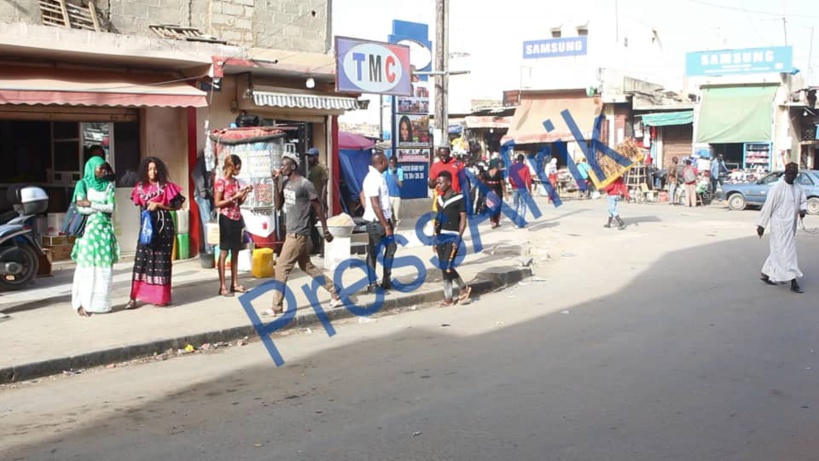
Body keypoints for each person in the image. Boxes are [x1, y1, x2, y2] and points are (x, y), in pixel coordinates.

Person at [265, 152, 341, 315]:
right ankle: (334, 291)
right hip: (291, 232)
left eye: (284, 165)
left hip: (299, 233)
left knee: (281, 267)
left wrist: (325, 229)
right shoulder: (285, 182)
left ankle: (276, 307)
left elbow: (318, 207)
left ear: (293, 167)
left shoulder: (305, 184)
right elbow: (278, 206)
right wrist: (275, 183)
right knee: (307, 266)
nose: (281, 168)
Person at [127, 157, 186, 309]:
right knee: (141, 260)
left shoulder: (166, 186)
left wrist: (160, 205)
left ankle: (160, 298)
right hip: (147, 227)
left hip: (163, 227)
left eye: (155, 168)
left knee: (162, 261)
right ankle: (134, 297)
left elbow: (177, 206)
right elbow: (138, 203)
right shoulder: (139, 187)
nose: (152, 172)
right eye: (149, 169)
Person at [71, 157, 120, 317]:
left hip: (104, 233)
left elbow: (110, 208)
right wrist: (97, 208)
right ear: (91, 168)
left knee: (103, 270)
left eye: (105, 168)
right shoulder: (82, 184)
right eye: (100, 168)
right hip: (89, 233)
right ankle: (82, 304)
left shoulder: (108, 186)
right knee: (86, 270)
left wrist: (91, 204)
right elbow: (80, 208)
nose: (103, 171)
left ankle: (101, 305)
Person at [756, 162, 807, 293]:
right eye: (790, 173)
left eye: (794, 174)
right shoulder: (777, 188)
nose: (792, 176)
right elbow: (768, 206)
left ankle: (766, 273)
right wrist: (761, 224)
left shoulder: (798, 187)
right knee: (788, 252)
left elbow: (803, 200)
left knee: (778, 250)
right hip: (779, 226)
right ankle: (793, 281)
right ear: (785, 172)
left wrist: (802, 210)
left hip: (791, 226)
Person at [214, 154, 252, 297]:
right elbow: (217, 203)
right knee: (224, 252)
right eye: (238, 167)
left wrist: (244, 194)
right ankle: (222, 285)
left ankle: (234, 283)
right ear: (232, 166)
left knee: (235, 250)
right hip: (226, 219)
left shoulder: (236, 182)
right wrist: (233, 198)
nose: (239, 170)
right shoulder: (221, 182)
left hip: (237, 218)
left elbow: (238, 203)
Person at [433, 170, 471, 306]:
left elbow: (463, 218)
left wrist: (458, 237)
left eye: (441, 182)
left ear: (449, 183)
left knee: (448, 265)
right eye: (437, 182)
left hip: (453, 235)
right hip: (441, 236)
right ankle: (448, 298)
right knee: (443, 267)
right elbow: (438, 220)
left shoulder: (459, 198)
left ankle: (463, 287)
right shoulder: (439, 199)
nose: (438, 185)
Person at [363, 151, 397, 292]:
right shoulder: (373, 178)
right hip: (377, 222)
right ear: (381, 162)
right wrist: (386, 226)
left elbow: (362, 194)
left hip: (383, 218)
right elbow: (375, 204)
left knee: (391, 248)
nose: (389, 164)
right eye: (386, 161)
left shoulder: (379, 177)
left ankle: (386, 280)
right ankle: (372, 284)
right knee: (373, 252)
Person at [306, 147, 329, 255]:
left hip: (318, 200)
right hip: (310, 200)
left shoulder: (321, 168)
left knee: (319, 224)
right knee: (311, 224)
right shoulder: (311, 169)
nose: (309, 159)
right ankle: (315, 246)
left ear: (316, 157)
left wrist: (323, 199)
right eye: (309, 157)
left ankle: (322, 248)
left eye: (311, 157)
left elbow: (325, 184)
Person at [191, 150, 214, 254]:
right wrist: (203, 190)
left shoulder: (214, 161)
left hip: (211, 195)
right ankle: (209, 249)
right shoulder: (204, 161)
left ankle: (212, 247)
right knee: (208, 221)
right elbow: (196, 174)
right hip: (203, 195)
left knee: (211, 221)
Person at [508, 154, 533, 227]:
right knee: (523, 205)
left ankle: (513, 217)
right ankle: (521, 223)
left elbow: (510, 178)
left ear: (517, 159)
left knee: (515, 204)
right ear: (523, 159)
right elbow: (528, 180)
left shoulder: (512, 167)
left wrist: (513, 185)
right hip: (523, 188)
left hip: (515, 188)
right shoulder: (526, 167)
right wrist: (530, 189)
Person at [484, 159, 505, 228]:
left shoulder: (486, 173)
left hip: (489, 191)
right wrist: (505, 192)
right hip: (498, 191)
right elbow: (502, 183)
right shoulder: (499, 173)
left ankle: (492, 221)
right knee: (498, 206)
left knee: (491, 206)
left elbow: (484, 182)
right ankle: (497, 222)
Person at [384, 156, 404, 224]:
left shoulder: (399, 171)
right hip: (388, 196)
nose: (391, 165)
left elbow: (401, 184)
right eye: (390, 163)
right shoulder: (385, 172)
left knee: (396, 215)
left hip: (396, 196)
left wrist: (394, 175)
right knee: (389, 214)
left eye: (393, 163)